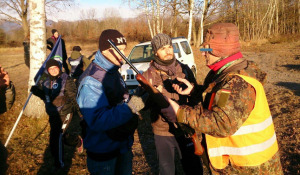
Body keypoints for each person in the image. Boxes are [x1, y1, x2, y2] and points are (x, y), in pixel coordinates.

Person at [161, 23, 283, 174]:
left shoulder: (237, 83)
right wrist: (195, 91)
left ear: (221, 50)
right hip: (239, 164)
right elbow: (222, 100)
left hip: (251, 168)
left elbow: (222, 123)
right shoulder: (227, 72)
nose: (203, 53)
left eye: (207, 49)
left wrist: (180, 113)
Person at [76, 29, 145, 175]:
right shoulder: (91, 80)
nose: (123, 55)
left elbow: (120, 98)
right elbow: (97, 120)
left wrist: (139, 94)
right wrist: (132, 106)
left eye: (124, 50)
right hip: (104, 153)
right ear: (105, 50)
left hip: (122, 145)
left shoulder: (113, 72)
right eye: (119, 50)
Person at [134, 33, 203, 175]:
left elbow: (197, 97)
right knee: (166, 171)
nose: (168, 51)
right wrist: (150, 95)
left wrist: (190, 93)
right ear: (155, 52)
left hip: (186, 127)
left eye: (170, 46)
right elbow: (134, 106)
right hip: (163, 131)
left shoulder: (185, 69)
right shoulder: (148, 75)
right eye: (162, 48)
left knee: (194, 169)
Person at [30, 59, 83, 171]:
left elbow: (74, 98)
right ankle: (77, 141)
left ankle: (59, 163)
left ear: (59, 68)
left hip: (65, 112)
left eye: (56, 68)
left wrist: (81, 113)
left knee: (56, 137)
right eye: (51, 69)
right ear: (47, 70)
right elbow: (47, 97)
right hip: (53, 113)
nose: (54, 70)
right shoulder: (45, 80)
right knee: (61, 137)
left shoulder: (66, 80)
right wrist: (38, 92)